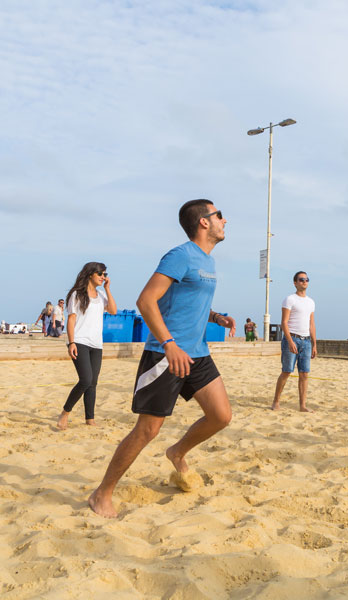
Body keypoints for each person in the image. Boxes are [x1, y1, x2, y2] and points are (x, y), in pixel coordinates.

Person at [89, 199, 235, 518]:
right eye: (219, 215)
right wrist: (169, 343)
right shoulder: (180, 256)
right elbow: (146, 300)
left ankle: (177, 451)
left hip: (196, 352)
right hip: (166, 354)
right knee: (147, 431)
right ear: (204, 222)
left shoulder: (207, 260)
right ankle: (102, 494)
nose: (225, 220)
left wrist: (214, 316)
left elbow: (182, 300)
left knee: (221, 416)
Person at [57, 263, 117, 429]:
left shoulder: (101, 294)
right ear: (91, 274)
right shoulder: (77, 294)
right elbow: (71, 319)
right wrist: (71, 342)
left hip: (97, 344)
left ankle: (90, 419)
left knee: (93, 383)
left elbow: (113, 310)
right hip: (80, 341)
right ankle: (65, 413)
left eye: (105, 274)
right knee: (85, 380)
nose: (103, 276)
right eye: (101, 273)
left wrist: (108, 289)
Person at [272, 271, 317, 412]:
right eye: (301, 279)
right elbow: (284, 323)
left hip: (306, 341)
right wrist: (290, 341)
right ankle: (276, 402)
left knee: (304, 373)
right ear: (295, 282)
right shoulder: (290, 299)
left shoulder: (311, 302)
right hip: (292, 339)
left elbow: (312, 324)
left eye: (306, 279)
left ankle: (302, 405)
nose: (304, 282)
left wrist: (314, 344)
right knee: (286, 371)